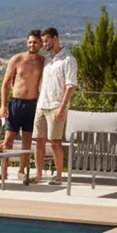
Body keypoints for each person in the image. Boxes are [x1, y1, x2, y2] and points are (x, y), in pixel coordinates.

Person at [0, 30, 44, 181]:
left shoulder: (43, 61)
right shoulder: (17, 59)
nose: (32, 45)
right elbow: (5, 85)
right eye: (30, 42)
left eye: (35, 42)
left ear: (41, 44)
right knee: (8, 137)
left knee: (27, 140)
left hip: (32, 104)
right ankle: (4, 170)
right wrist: (3, 105)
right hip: (16, 103)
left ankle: (21, 171)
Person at [33, 27, 78, 185]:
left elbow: (70, 86)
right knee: (38, 140)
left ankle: (59, 176)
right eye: (43, 41)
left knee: (54, 141)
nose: (44, 43)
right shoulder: (46, 59)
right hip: (42, 105)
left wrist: (62, 107)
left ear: (56, 38)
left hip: (56, 106)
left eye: (46, 40)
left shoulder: (68, 60)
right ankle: (38, 175)